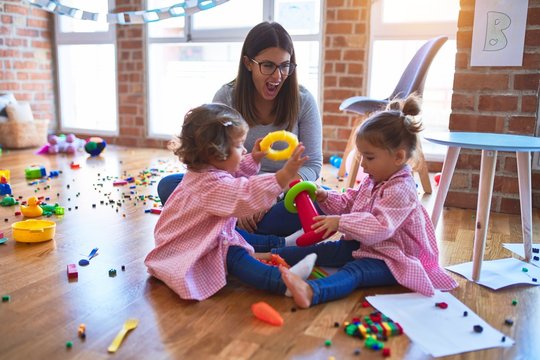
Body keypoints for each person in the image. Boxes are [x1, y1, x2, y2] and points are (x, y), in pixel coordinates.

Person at [272, 95, 458, 308]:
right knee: (327, 250)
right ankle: (271, 255)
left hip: (393, 258)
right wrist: (325, 196)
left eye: (369, 158)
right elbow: (350, 202)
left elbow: (380, 227)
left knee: (355, 272)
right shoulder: (374, 180)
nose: (364, 166)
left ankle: (312, 292)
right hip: (368, 246)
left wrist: (339, 222)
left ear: (398, 157)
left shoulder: (401, 189)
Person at [157, 21, 322, 237]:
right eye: (268, 65)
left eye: (284, 65)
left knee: (321, 201)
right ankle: (253, 240)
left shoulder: (303, 100)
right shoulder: (226, 97)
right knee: (170, 186)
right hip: (232, 190)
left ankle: (223, 237)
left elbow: (313, 165)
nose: (278, 76)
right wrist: (240, 204)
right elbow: (212, 162)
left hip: (280, 191)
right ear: (248, 63)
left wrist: (270, 195)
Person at [144, 103, 317, 301]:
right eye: (238, 146)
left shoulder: (206, 170)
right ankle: (282, 282)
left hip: (199, 234)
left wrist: (254, 158)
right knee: (234, 254)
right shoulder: (212, 187)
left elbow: (232, 170)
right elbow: (244, 193)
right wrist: (283, 176)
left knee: (234, 234)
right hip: (188, 247)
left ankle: (284, 243)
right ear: (214, 153)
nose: (243, 150)